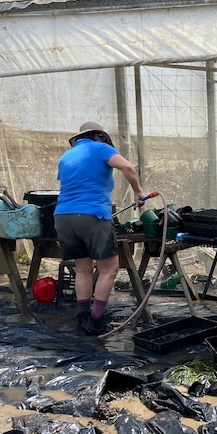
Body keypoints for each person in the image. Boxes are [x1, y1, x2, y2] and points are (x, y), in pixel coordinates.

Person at [54, 122, 146, 335]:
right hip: (92, 215)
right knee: (108, 269)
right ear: (99, 136)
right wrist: (138, 191)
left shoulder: (67, 156)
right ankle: (96, 319)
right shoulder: (100, 148)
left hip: (63, 216)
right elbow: (127, 167)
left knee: (83, 269)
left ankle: (83, 317)